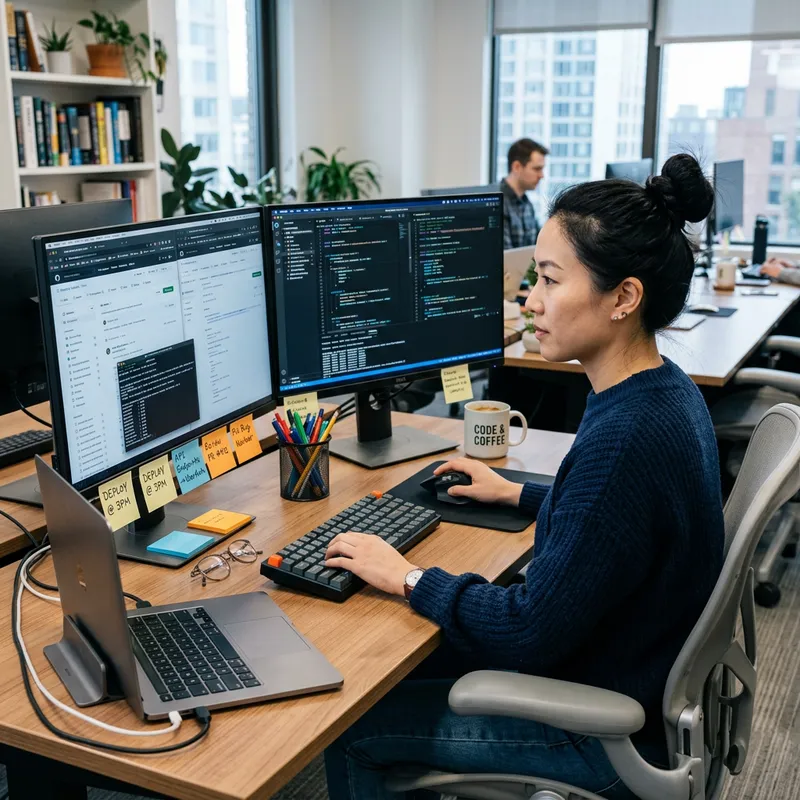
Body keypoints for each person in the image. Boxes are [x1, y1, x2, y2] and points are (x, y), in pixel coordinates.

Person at [322, 153, 725, 800]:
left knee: (351, 727)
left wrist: (407, 575)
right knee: (403, 659)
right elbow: (617, 524)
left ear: (624, 296)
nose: (528, 301)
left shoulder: (625, 438)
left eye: (548, 280)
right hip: (633, 672)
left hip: (599, 727)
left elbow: (529, 629)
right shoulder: (663, 392)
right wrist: (518, 493)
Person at [501, 138, 548, 249]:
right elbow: (505, 259)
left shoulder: (527, 204)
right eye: (537, 169)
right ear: (517, 167)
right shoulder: (497, 205)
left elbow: (540, 245)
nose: (542, 175)